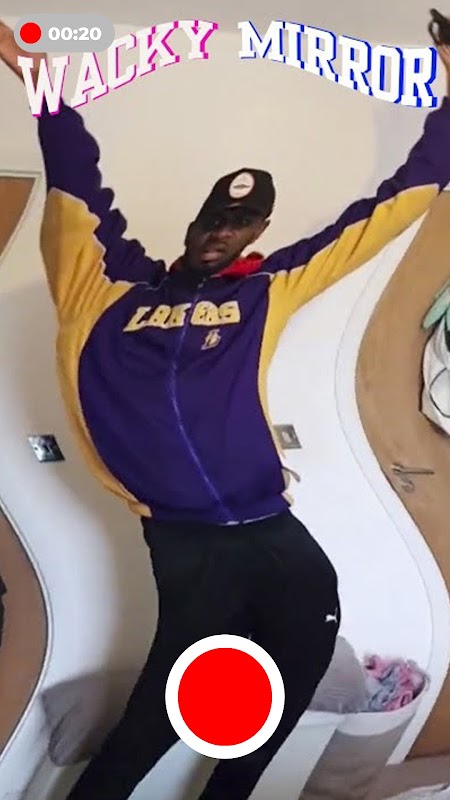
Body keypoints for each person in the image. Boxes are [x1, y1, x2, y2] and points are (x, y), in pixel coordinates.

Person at [2, 18, 450, 800]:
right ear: (194, 222)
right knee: (159, 714)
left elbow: (396, 205)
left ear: (258, 232)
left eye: (239, 223)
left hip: (280, 541)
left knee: (268, 709)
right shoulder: (99, 285)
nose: (221, 232)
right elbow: (74, 173)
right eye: (213, 218)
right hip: (188, 546)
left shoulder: (267, 291)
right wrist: (31, 70)